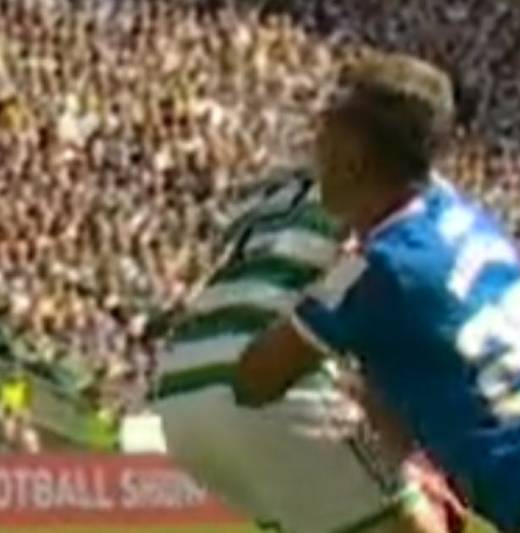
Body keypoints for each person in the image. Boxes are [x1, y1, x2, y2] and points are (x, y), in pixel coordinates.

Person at [235, 53, 520, 533]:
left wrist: (297, 274)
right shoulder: (442, 209)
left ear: (355, 151)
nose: (315, 151)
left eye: (326, 131)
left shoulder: (377, 270)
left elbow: (256, 377)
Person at [154, 167, 463, 533]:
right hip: (272, 379)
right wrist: (407, 456)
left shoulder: (275, 190)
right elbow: (358, 281)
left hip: (180, 391)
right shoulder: (405, 189)